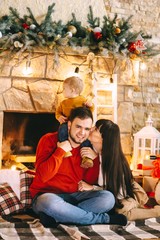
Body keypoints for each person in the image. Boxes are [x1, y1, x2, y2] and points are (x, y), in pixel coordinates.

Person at [29, 107, 127, 227]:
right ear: (69, 125)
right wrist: (60, 151)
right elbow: (43, 176)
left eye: (86, 129)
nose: (82, 133)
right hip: (47, 196)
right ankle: (103, 219)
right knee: (50, 204)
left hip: (74, 196)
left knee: (108, 198)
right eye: (78, 127)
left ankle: (59, 216)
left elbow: (89, 181)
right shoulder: (48, 140)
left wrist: (94, 159)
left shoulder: (88, 150)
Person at [80, 119, 160, 221]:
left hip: (123, 195)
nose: (90, 129)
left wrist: (92, 188)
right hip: (109, 194)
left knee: (122, 213)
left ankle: (156, 211)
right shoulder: (89, 147)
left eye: (95, 129)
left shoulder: (114, 161)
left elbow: (118, 193)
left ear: (104, 139)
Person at [55, 76, 94, 168]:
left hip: (80, 124)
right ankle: (65, 149)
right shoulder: (63, 103)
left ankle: (87, 157)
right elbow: (58, 112)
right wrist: (59, 117)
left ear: (72, 90)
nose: (62, 91)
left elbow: (91, 109)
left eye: (64, 88)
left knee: (85, 137)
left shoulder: (83, 100)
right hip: (67, 122)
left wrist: (90, 104)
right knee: (62, 129)